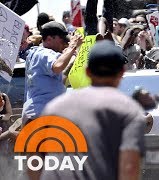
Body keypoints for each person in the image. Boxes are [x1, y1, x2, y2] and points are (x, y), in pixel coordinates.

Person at [38, 40, 145, 180]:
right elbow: (129, 167)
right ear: (121, 73)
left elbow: (33, 156)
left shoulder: (55, 107)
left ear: (87, 71)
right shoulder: (129, 110)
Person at [22, 21, 83, 124]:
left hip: (38, 115)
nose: (64, 44)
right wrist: (72, 46)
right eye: (62, 40)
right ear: (49, 39)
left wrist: (71, 56)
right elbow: (58, 66)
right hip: (41, 116)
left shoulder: (36, 53)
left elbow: (60, 76)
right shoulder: (45, 53)